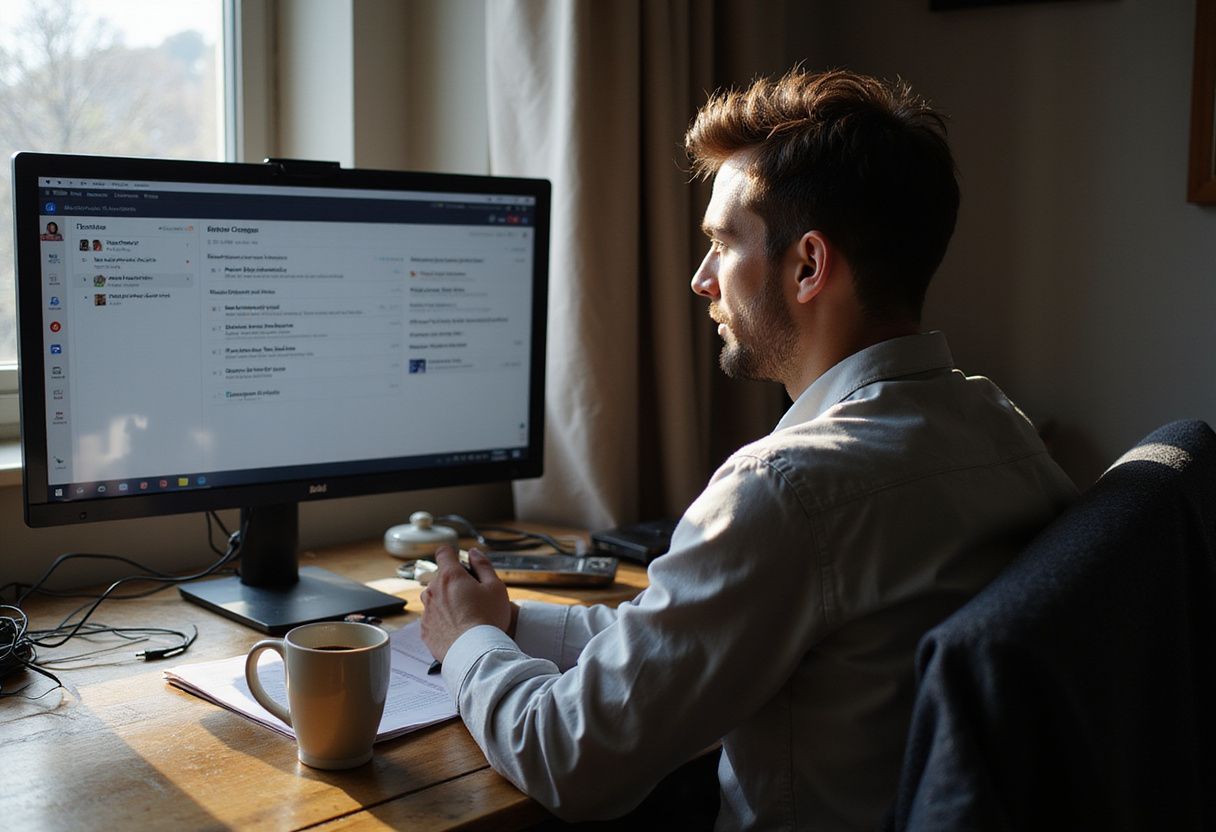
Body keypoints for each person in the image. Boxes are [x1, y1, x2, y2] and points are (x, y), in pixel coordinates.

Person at [420, 68, 1077, 830]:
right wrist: (503, 618)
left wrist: (466, 645)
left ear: (808, 266)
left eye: (722, 245)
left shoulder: (788, 491)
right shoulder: (999, 424)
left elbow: (567, 757)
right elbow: (678, 638)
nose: (701, 281)